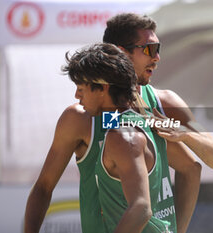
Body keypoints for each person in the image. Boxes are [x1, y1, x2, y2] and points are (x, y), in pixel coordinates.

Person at [24, 43, 172, 233]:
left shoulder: (123, 135)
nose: (76, 95)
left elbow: (141, 209)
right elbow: (43, 187)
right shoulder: (124, 122)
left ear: (103, 88)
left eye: (81, 88)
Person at [103, 13, 213, 233]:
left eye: (158, 49)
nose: (158, 57)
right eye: (150, 49)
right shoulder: (89, 109)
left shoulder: (164, 102)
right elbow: (44, 186)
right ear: (123, 53)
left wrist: (185, 134)